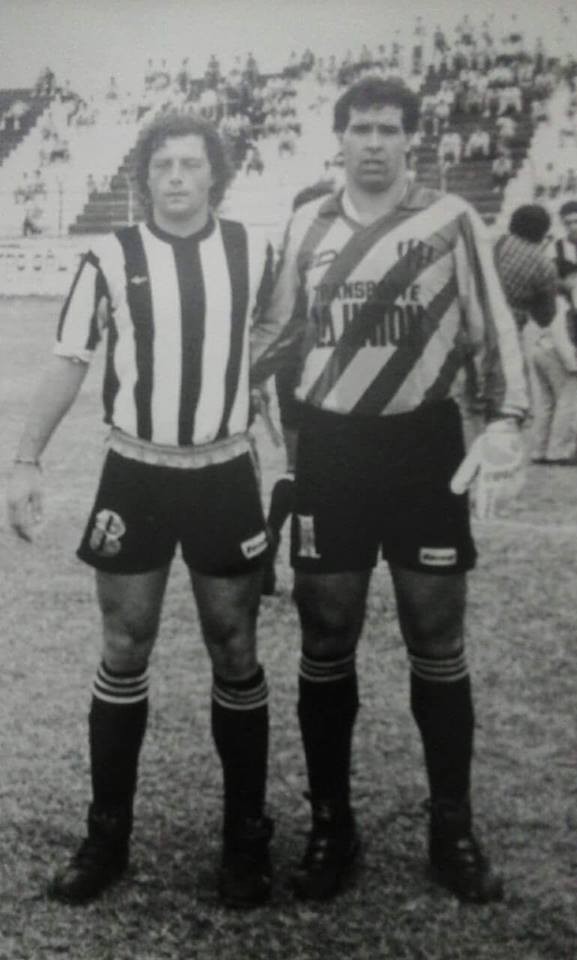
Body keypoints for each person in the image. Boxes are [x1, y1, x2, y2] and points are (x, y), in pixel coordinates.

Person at [251, 76, 528, 905]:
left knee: (434, 636)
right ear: (338, 138)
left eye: (387, 129)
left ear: (412, 139)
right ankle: (331, 824)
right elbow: (277, 331)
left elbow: (492, 325)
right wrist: (219, 393)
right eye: (359, 128)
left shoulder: (451, 220)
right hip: (332, 450)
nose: (372, 142)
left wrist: (506, 417)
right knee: (325, 633)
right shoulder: (306, 224)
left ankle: (452, 829)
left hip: (422, 449)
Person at [7, 110, 275, 909]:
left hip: (223, 472)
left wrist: (287, 447)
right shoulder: (109, 256)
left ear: (214, 173)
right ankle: (107, 836)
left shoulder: (254, 250)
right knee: (124, 647)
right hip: (136, 474)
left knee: (235, 646)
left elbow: (279, 341)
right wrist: (24, 460)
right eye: (163, 165)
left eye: (191, 163)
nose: (177, 177)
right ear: (144, 176)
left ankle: (244, 838)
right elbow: (68, 360)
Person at [494, 204, 557, 331]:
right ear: (544, 230)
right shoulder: (545, 265)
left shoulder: (496, 242)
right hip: (509, 325)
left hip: (480, 313)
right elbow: (545, 317)